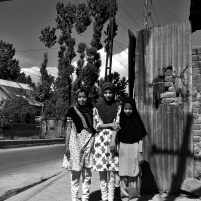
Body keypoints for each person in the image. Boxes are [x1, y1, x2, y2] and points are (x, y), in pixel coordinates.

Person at [110, 97, 147, 201]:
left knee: (134, 175)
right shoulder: (120, 120)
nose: (127, 111)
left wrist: (140, 153)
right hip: (122, 148)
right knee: (123, 174)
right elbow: (115, 134)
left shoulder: (136, 120)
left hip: (134, 148)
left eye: (130, 109)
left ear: (133, 109)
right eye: (125, 108)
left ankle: (134, 198)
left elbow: (140, 138)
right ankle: (125, 197)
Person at [65, 88, 94, 201]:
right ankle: (74, 198)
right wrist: (67, 146)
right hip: (75, 145)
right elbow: (68, 129)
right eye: (79, 97)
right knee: (75, 174)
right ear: (76, 98)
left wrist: (93, 145)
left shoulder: (92, 110)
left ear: (87, 97)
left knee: (87, 174)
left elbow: (94, 128)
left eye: (84, 97)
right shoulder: (72, 111)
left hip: (89, 143)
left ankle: (85, 197)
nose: (82, 99)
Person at [93, 82, 120, 201]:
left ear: (114, 93)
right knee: (103, 174)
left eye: (110, 92)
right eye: (106, 92)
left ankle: (111, 198)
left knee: (112, 175)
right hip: (100, 143)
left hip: (113, 141)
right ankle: (104, 198)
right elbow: (96, 126)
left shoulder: (118, 106)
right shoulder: (97, 107)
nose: (108, 95)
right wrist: (110, 124)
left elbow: (117, 125)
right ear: (102, 93)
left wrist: (113, 141)